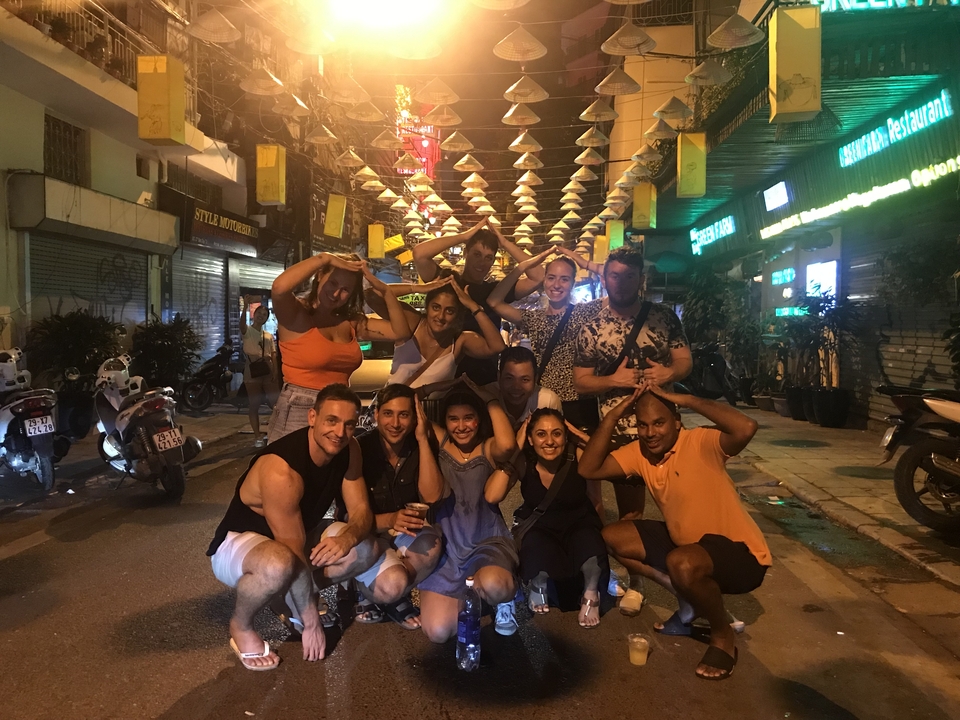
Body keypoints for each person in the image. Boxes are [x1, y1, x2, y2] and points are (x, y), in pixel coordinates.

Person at [578, 383, 771, 681]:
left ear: (676, 422)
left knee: (683, 562)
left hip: (741, 555)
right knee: (610, 537)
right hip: (687, 550)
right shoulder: (640, 453)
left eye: (659, 423)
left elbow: (746, 427)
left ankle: (722, 636)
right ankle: (689, 599)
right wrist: (612, 416)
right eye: (642, 425)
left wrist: (689, 398)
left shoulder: (700, 442)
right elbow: (588, 469)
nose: (650, 432)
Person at [206, 384, 379, 670]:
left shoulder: (350, 449)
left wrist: (348, 538)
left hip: (294, 538)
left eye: (349, 424)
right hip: (240, 545)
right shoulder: (281, 469)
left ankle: (287, 596)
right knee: (279, 565)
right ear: (312, 417)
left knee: (366, 548)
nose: (340, 433)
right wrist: (310, 621)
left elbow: (361, 511)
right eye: (331, 421)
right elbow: (291, 549)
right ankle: (242, 626)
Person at [573, 247, 692, 525]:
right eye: (614, 275)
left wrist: (668, 373)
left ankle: (681, 564)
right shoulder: (592, 328)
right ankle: (641, 568)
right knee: (631, 514)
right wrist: (614, 380)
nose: (621, 282)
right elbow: (581, 382)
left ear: (641, 279)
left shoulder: (663, 318)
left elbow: (685, 361)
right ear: (604, 278)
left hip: (668, 431)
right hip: (621, 435)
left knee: (682, 508)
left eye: (629, 276)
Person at [268, 253, 412, 442]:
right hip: (300, 408)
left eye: (345, 289)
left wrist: (386, 292)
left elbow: (400, 332)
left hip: (342, 409)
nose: (336, 294)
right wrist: (325, 258)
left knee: (337, 471)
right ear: (319, 275)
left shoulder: (350, 322)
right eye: (333, 283)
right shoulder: (297, 313)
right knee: (293, 470)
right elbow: (279, 288)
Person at [486, 408, 610, 628]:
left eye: (557, 433)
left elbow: (604, 472)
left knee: (591, 542)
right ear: (531, 440)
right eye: (541, 434)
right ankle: (538, 582)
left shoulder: (578, 455)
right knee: (534, 544)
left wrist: (580, 436)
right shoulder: (524, 462)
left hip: (577, 523)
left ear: (566, 435)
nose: (550, 441)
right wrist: (516, 446)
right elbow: (493, 495)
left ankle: (591, 593)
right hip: (541, 526)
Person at [417, 378, 520, 642]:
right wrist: (445, 383)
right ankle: (471, 598)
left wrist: (488, 397)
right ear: (445, 421)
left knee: (496, 587)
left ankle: (502, 600)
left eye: (469, 418)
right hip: (448, 549)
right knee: (438, 632)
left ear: (479, 418)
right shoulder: (439, 442)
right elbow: (411, 398)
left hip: (486, 541)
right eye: (453, 419)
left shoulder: (487, 447)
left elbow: (508, 445)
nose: (461, 426)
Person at [352, 385, 445, 629]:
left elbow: (432, 495)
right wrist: (390, 520)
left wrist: (423, 439)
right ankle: (364, 592)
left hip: (401, 533)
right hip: (366, 535)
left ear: (415, 418)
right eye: (388, 414)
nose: (395, 423)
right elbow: (349, 517)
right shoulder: (359, 449)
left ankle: (394, 596)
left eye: (404, 415)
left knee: (432, 545)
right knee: (391, 585)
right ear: (376, 415)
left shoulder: (417, 445)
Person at [412, 218, 545, 385]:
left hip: (485, 380)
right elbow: (419, 254)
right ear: (465, 253)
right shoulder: (448, 282)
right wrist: (464, 237)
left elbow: (539, 276)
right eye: (476, 254)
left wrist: (504, 243)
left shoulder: (495, 292)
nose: (482, 263)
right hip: (444, 378)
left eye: (489, 258)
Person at [488, 249, 605, 432]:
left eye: (564, 279)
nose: (556, 284)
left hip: (579, 403)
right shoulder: (534, 318)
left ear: (572, 283)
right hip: (544, 400)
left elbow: (620, 289)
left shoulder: (585, 312)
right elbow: (494, 301)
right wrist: (523, 267)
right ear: (543, 281)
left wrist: (585, 264)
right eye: (551, 278)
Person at [365, 277, 506, 389]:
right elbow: (371, 295)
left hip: (432, 420)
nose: (441, 316)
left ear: (457, 315)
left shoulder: (459, 341)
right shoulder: (412, 322)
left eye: (450, 311)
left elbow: (497, 347)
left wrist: (473, 306)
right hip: (396, 415)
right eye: (436, 307)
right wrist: (418, 288)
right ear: (427, 307)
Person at [483, 346, 562, 430]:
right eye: (509, 378)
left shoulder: (547, 401)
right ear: (499, 377)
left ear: (535, 379)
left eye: (525, 379)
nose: (516, 386)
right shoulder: (486, 396)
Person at [239, 296, 279, 448]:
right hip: (252, 368)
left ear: (266, 319)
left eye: (264, 315)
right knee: (254, 404)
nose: (261, 316)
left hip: (267, 368)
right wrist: (245, 307)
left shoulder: (268, 336)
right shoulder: (247, 331)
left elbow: (273, 355)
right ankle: (257, 437)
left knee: (276, 404)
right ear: (254, 315)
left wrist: (275, 371)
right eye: (259, 314)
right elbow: (241, 324)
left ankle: (274, 432)